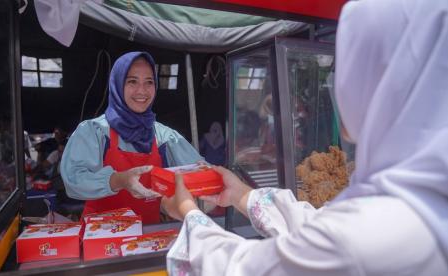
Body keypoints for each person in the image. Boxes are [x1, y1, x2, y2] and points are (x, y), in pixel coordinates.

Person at [161, 0, 448, 275]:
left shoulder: (366, 240)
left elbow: (241, 269)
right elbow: (317, 226)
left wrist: (189, 214)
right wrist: (241, 195)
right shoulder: (424, 200)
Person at [60, 52, 203, 224]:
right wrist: (119, 180)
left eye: (149, 82)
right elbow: (73, 180)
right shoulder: (94, 131)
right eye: (132, 81)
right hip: (100, 239)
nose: (142, 91)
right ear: (118, 85)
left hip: (148, 237)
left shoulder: (164, 137)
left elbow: (199, 171)